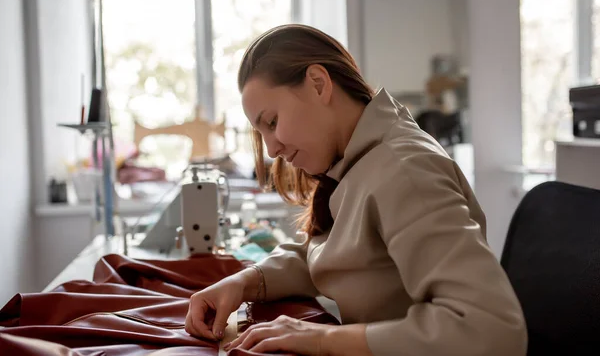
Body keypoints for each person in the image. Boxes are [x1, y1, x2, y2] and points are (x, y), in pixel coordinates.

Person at [185, 24, 527, 356]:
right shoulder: (359, 161)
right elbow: (337, 253)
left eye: (272, 122)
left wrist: (321, 340)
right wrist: (245, 283)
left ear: (318, 84)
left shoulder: (404, 170)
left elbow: (489, 328)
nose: (272, 149)